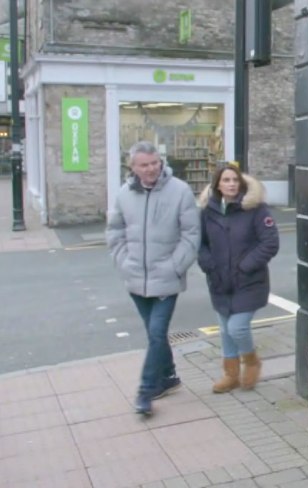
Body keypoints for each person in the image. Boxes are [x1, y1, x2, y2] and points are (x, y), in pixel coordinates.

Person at [106, 141, 200, 415]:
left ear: (161, 162)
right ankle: (168, 376)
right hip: (135, 278)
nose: (151, 169)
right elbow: (115, 231)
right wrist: (124, 262)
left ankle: (145, 391)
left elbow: (191, 235)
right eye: (144, 165)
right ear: (133, 167)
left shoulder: (180, 191)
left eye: (154, 163)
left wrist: (174, 266)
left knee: (157, 333)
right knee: (154, 335)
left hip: (166, 278)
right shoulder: (124, 194)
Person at [197, 162, 279, 393]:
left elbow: (270, 243)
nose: (231, 184)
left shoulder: (256, 209)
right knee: (224, 328)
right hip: (219, 281)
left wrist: (246, 266)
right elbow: (200, 243)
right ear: (218, 185)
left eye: (235, 180)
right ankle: (231, 374)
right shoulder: (207, 212)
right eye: (226, 180)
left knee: (237, 327)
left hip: (249, 281)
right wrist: (208, 264)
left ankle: (251, 361)